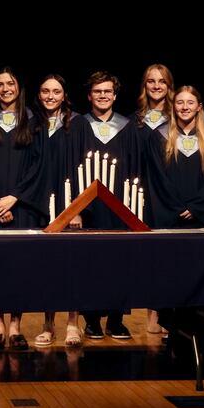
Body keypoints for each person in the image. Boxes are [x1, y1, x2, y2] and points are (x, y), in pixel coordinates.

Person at [0, 66, 48, 350]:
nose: (5, 89)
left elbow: (39, 165)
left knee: (18, 268)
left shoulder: (34, 119)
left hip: (22, 205)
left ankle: (15, 325)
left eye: (10, 83)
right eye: (0, 84)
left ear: (19, 87)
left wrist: (14, 198)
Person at [34, 74, 93, 347]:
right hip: (38, 203)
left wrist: (77, 208)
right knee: (46, 267)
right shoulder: (32, 123)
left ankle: (72, 323)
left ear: (64, 95)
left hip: (70, 204)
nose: (50, 96)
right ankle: (48, 324)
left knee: (71, 266)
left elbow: (86, 168)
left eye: (56, 91)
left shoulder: (78, 124)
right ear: (39, 94)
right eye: (45, 91)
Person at [81, 71, 139, 341]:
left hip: (120, 205)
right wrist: (77, 209)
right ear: (89, 95)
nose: (102, 95)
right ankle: (91, 320)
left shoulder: (128, 127)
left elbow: (134, 167)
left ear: (115, 95)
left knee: (119, 263)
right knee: (90, 264)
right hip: (89, 206)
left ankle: (116, 320)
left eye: (107, 91)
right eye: (97, 91)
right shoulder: (79, 126)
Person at [146, 85, 204, 239]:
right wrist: (177, 207)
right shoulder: (158, 137)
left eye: (190, 102)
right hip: (169, 215)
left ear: (199, 107)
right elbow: (158, 178)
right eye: (180, 102)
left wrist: (196, 207)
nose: (185, 107)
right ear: (173, 106)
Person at [131, 64, 175, 333]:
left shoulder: (178, 119)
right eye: (151, 81)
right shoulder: (134, 122)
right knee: (150, 255)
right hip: (142, 194)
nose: (156, 86)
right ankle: (152, 312)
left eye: (162, 81)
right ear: (144, 86)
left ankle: (171, 312)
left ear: (169, 86)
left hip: (169, 194)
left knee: (170, 254)